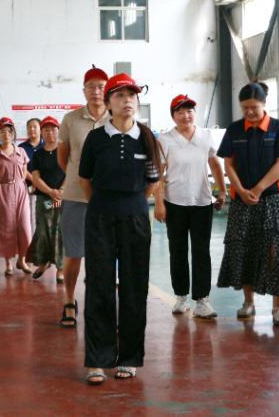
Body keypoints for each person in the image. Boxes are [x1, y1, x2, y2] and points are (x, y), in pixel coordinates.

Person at [78, 73, 161, 385]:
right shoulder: (96, 139)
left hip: (135, 218)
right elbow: (85, 180)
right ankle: (97, 360)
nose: (128, 101)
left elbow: (153, 180)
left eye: (132, 96)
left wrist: (133, 203)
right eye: (120, 96)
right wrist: (104, 204)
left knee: (133, 286)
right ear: (109, 103)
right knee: (99, 285)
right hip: (100, 217)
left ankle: (128, 357)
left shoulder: (147, 138)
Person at [216, 81, 279, 327]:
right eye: (245, 108)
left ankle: (277, 308)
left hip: (273, 199)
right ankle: (248, 302)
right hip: (242, 201)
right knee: (243, 248)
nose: (249, 112)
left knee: (275, 250)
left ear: (264, 103)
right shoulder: (235, 130)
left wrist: (259, 188)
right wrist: (240, 190)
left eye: (254, 107)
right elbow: (228, 164)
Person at [154, 94, 226, 319]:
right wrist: (159, 203)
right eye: (180, 112)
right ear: (173, 116)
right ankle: (181, 296)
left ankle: (202, 300)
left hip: (202, 202)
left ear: (195, 113)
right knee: (178, 251)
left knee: (201, 251)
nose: (185, 116)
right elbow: (158, 174)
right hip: (174, 202)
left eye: (189, 111)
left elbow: (214, 163)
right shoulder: (165, 139)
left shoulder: (206, 136)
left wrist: (222, 191)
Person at [57, 66, 110, 329]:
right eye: (91, 87)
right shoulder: (71, 119)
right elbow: (63, 157)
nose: (96, 91)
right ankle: (69, 300)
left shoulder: (115, 118)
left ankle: (99, 304)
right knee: (74, 253)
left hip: (108, 198)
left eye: (101, 86)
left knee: (104, 254)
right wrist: (78, 177)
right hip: (76, 196)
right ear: (84, 90)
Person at [0, 117, 33, 276]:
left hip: (20, 190)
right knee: (6, 227)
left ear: (13, 134)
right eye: (3, 132)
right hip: (3, 191)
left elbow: (24, 172)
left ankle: (22, 260)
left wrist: (17, 183)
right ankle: (9, 263)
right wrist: (4, 184)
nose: (6, 134)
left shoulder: (21, 152)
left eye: (9, 132)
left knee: (25, 227)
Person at [28, 116, 65, 282]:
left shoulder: (65, 151)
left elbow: (71, 173)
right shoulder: (38, 154)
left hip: (63, 198)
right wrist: (51, 192)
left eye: (53, 129)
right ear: (42, 133)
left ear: (58, 131)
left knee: (60, 232)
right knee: (43, 232)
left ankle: (60, 268)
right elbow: (35, 178)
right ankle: (43, 262)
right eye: (46, 130)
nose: (50, 133)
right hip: (44, 199)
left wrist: (61, 192)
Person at [19, 118, 43, 231]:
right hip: (27, 188)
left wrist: (40, 183)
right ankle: (31, 239)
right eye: (29, 127)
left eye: (35, 126)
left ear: (40, 129)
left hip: (45, 188)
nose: (32, 129)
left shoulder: (46, 145)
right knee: (29, 216)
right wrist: (34, 180)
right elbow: (20, 166)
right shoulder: (21, 147)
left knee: (45, 214)